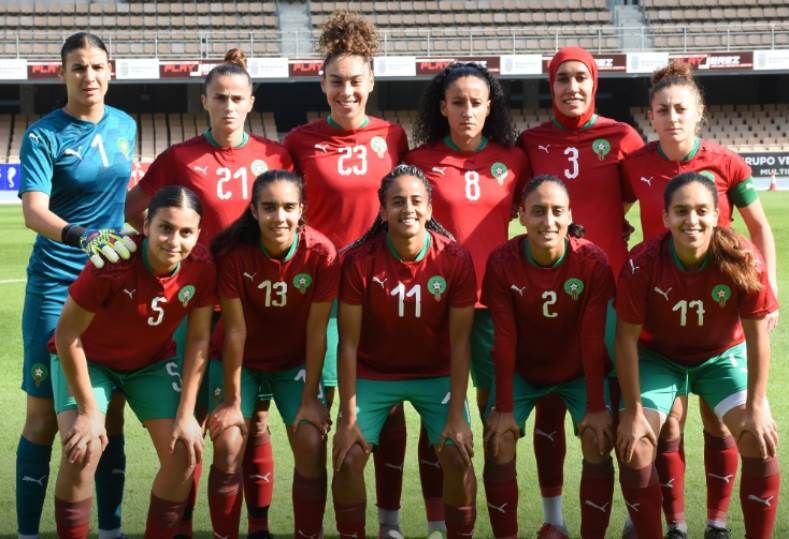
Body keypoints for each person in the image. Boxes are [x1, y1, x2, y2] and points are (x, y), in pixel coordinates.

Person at [125, 49, 293, 537]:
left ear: (251, 102)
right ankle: (183, 524)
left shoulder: (275, 156)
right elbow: (134, 212)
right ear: (204, 101)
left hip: (256, 308)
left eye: (237, 98)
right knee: (193, 421)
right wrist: (170, 257)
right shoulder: (179, 158)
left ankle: (257, 525)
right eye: (219, 97)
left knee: (250, 421)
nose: (228, 106)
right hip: (196, 308)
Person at [621, 62, 778, 539]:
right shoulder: (635, 164)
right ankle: (673, 524)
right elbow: (614, 216)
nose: (672, 117)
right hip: (660, 310)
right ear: (650, 115)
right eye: (663, 109)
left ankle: (717, 522)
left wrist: (768, 290)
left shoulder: (727, 162)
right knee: (668, 424)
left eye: (681, 109)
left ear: (699, 112)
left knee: (721, 421)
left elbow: (758, 226)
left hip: (719, 308)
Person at [283, 11, 411, 537]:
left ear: (371, 82)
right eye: (336, 81)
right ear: (322, 84)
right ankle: (317, 527)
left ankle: (389, 522)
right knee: (321, 411)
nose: (346, 91)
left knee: (389, 407)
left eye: (356, 81)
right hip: (323, 293)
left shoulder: (393, 136)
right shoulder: (300, 141)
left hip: (382, 289)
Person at [517, 46, 644, 536]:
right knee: (551, 405)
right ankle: (553, 522)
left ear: (594, 83)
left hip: (611, 295)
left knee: (618, 406)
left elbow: (642, 196)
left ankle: (635, 515)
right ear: (550, 85)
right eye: (562, 79)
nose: (572, 87)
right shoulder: (531, 141)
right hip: (549, 293)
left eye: (580, 78)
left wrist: (614, 227)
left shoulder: (622, 137)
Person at [17, 31, 136, 539]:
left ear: (111, 71)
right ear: (61, 73)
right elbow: (33, 212)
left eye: (96, 66)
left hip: (108, 288)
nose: (89, 76)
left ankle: (110, 529)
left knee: (110, 416)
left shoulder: (126, 124)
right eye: (78, 67)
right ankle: (27, 532)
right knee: (44, 419)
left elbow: (124, 199)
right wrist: (81, 235)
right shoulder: (43, 135)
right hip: (55, 285)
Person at [404, 61, 528, 534]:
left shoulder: (513, 160)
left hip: (496, 307)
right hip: (436, 306)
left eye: (476, 102)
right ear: (442, 107)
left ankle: (500, 524)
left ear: (490, 106)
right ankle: (439, 523)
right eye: (458, 102)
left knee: (498, 418)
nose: (467, 111)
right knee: (437, 418)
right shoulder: (419, 161)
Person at [51, 185, 215, 538]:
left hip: (150, 364)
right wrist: (88, 411)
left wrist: (187, 414)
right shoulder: (112, 263)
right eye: (165, 228)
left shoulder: (202, 267)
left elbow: (199, 339)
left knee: (184, 453)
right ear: (146, 224)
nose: (174, 241)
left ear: (199, 233)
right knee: (83, 449)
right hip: (88, 359)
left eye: (186, 232)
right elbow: (66, 335)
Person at [332, 164, 477, 538]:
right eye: (397, 202)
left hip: (436, 374)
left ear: (430, 209)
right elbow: (348, 343)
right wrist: (347, 417)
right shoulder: (359, 262)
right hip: (374, 373)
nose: (407, 209)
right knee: (347, 456)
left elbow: (460, 343)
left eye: (416, 201)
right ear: (382, 211)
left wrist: (458, 416)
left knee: (458, 453)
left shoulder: (455, 259)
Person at [483, 176, 616, 539]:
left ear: (570, 215)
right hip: (523, 371)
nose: (549, 221)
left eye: (558, 211)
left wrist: (595, 406)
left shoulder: (592, 261)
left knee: (598, 437)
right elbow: (504, 337)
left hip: (577, 370)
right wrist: (504, 407)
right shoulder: (502, 261)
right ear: (522, 216)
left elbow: (592, 338)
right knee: (498, 439)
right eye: (538, 211)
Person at [206, 170, 336, 538]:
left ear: (302, 210)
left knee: (311, 440)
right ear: (254, 210)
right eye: (269, 208)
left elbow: (317, 332)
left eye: (289, 208)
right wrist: (232, 403)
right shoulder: (234, 254)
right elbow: (235, 330)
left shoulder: (321, 253)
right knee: (229, 441)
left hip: (293, 362)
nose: (279, 217)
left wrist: (310, 399)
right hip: (241, 361)